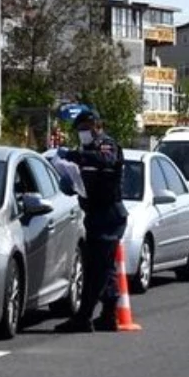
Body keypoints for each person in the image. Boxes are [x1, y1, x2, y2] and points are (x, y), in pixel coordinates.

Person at [54, 108, 126, 333]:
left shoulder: (106, 144)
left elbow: (107, 160)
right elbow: (85, 182)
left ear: (97, 125)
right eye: (80, 130)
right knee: (105, 268)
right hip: (95, 214)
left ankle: (83, 317)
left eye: (86, 128)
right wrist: (69, 184)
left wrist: (74, 156)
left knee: (97, 269)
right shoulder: (85, 150)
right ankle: (108, 315)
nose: (83, 133)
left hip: (109, 215)